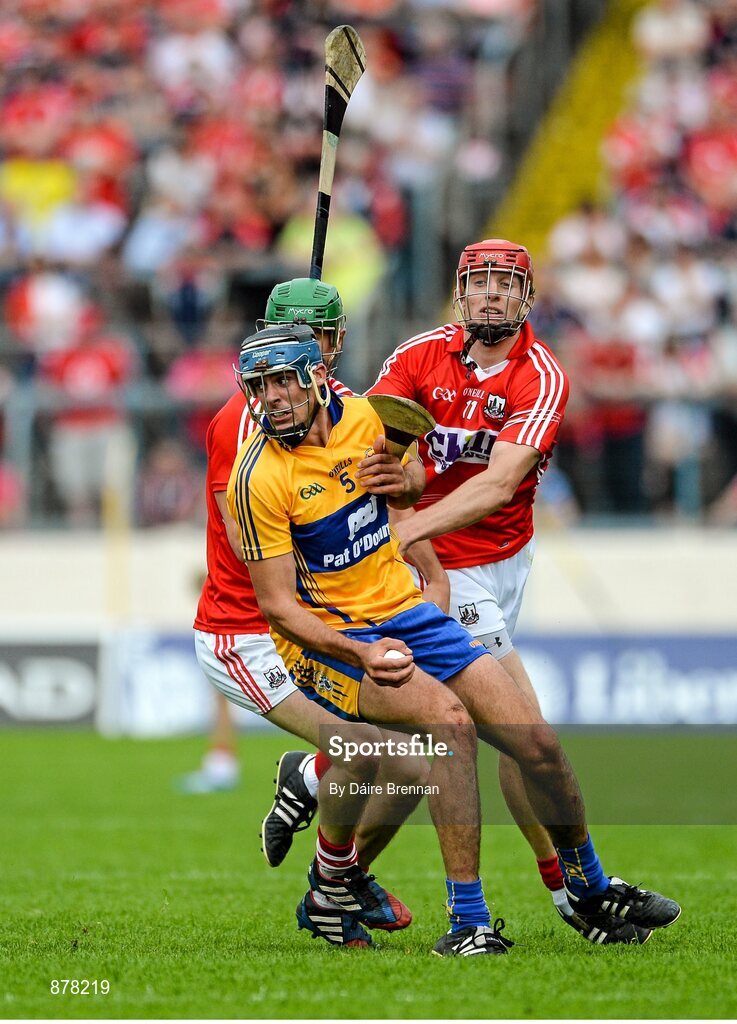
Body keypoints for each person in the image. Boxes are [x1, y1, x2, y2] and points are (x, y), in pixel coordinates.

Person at [227, 322, 681, 956]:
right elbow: (278, 609)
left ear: (315, 378)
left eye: (283, 381)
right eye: (258, 387)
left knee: (537, 744)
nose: (271, 398)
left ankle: (591, 884)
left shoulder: (364, 417)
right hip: (332, 640)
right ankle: (468, 921)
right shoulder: (257, 479)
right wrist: (359, 652)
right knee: (449, 727)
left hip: (409, 613)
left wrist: (401, 478)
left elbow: (411, 490)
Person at [366, 237, 663, 943]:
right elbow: (379, 457)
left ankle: (335, 855)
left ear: (527, 297)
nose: (491, 294)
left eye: (506, 283)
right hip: (443, 567)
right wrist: (408, 531)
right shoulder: (412, 359)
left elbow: (500, 483)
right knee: (527, 737)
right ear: (459, 295)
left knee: (512, 742)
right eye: (478, 282)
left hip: (505, 562)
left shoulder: (541, 376)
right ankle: (577, 889)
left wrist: (408, 525)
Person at [188, 277, 435, 947]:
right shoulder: (236, 428)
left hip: (319, 628)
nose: (292, 383)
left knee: (416, 767)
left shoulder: (351, 412)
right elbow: (248, 546)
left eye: (318, 351)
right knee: (359, 752)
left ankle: (338, 872)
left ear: (332, 352)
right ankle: (334, 889)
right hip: (248, 634)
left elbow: (399, 494)